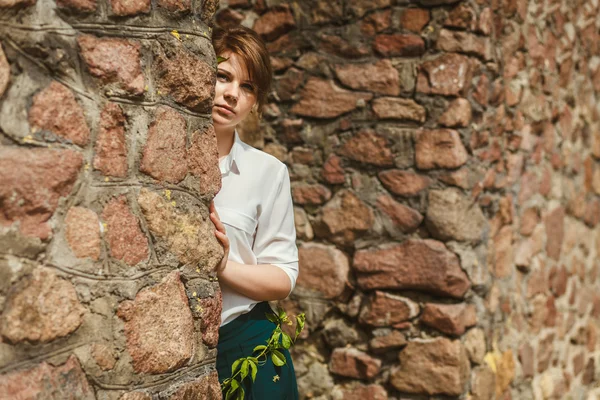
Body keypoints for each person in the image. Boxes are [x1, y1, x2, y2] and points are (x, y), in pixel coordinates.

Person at [208, 25, 300, 400]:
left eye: (247, 87)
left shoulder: (268, 172)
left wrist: (224, 265)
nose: (232, 94)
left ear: (255, 102)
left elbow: (283, 276)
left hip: (249, 347)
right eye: (222, 76)